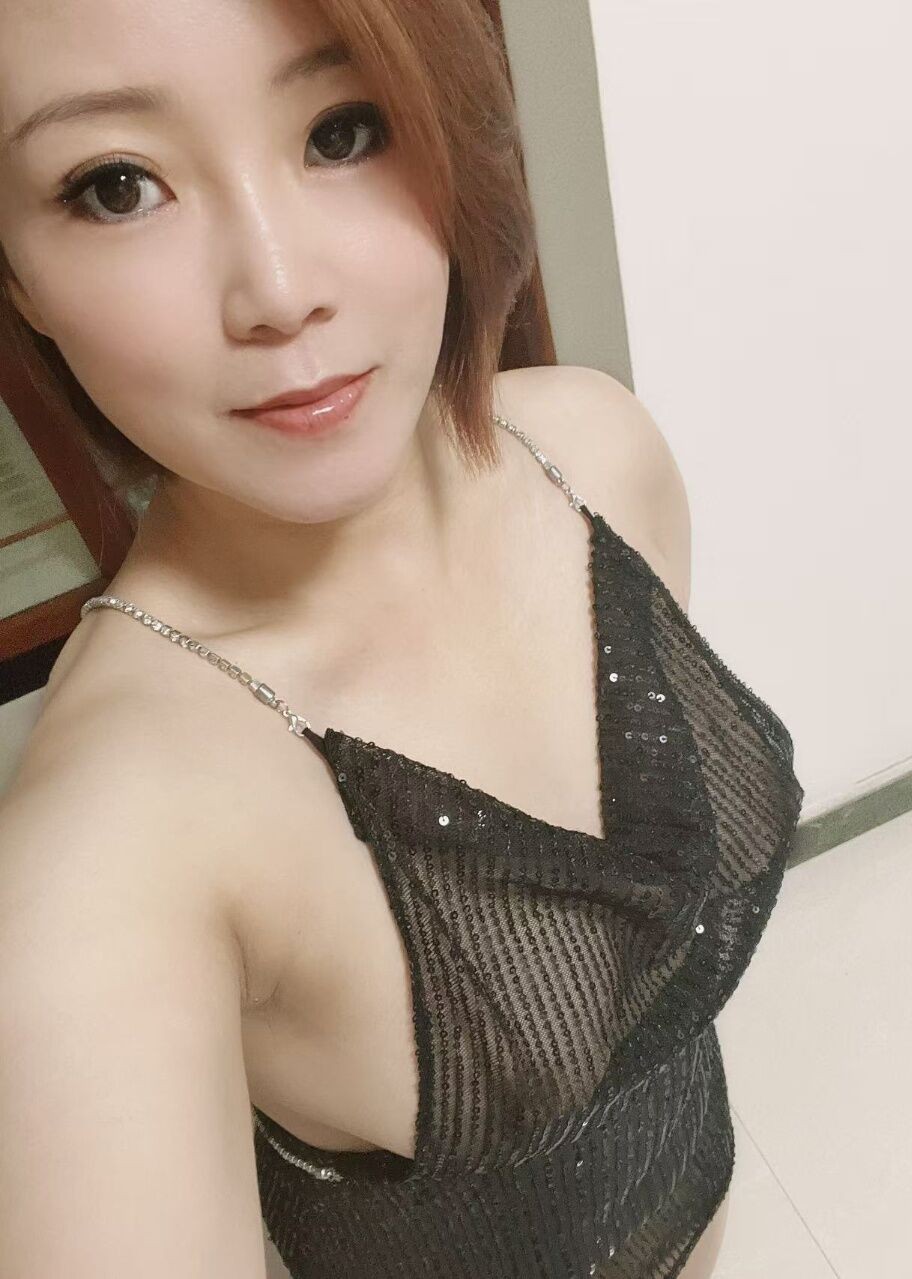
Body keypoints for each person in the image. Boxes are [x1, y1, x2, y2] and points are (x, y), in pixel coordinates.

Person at [0, 1, 802, 1276]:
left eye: (342, 129)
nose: (279, 290)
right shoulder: (108, 854)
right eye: (115, 186)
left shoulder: (594, 451)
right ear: (18, 277)